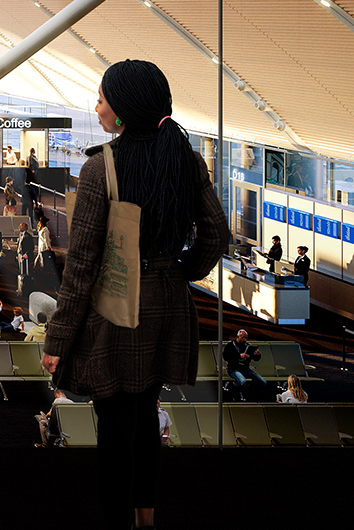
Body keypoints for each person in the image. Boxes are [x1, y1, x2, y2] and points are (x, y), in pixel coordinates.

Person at [39, 59, 229, 530]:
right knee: (146, 410)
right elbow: (216, 236)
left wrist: (56, 343)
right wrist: (180, 271)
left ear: (122, 110)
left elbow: (82, 266)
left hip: (119, 310)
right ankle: (146, 516)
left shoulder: (100, 167)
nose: (96, 106)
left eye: (102, 98)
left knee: (115, 421)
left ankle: (115, 519)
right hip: (168, 305)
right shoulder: (185, 157)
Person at [221, 328, 268, 399]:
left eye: (246, 338)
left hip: (246, 369)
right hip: (233, 369)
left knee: (263, 382)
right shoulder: (230, 346)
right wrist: (239, 356)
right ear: (238, 337)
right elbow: (226, 357)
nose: (245, 340)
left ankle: (253, 395)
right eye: (243, 337)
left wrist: (257, 355)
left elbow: (256, 359)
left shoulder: (247, 346)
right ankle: (234, 394)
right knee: (242, 381)